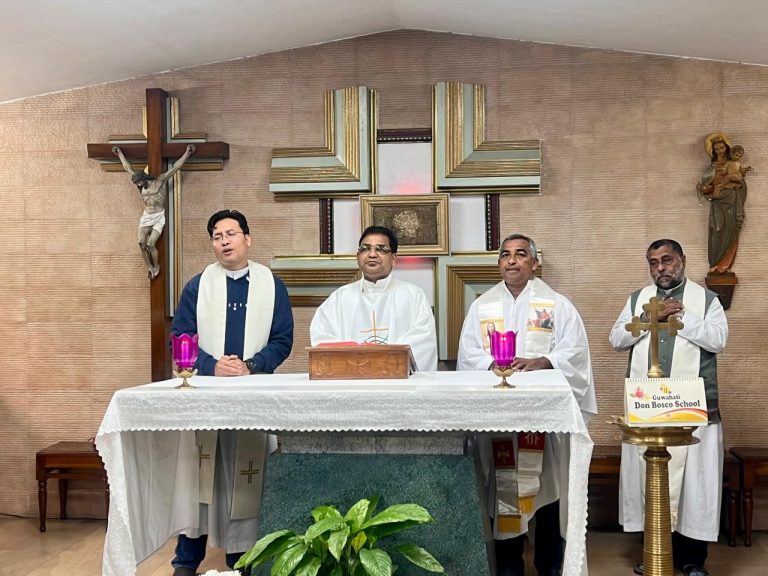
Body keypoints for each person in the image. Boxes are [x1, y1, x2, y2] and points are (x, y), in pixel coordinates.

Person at [457, 233, 597, 576]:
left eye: (521, 255)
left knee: (547, 491)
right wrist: (490, 365)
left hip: (542, 424)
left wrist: (544, 360)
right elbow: (469, 354)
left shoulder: (557, 305)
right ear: (499, 263)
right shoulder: (482, 306)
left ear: (534, 263)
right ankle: (508, 568)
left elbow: (575, 352)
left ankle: (550, 566)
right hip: (499, 421)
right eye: (505, 255)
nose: (512, 260)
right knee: (502, 490)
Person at [170, 209, 294, 576]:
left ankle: (244, 562)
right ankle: (186, 561)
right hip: (208, 396)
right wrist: (211, 366)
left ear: (247, 239)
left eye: (231, 233)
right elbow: (181, 336)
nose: (224, 241)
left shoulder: (272, 285)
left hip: (253, 395)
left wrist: (251, 366)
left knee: (248, 477)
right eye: (216, 235)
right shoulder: (198, 286)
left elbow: (283, 339)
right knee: (201, 476)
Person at [609, 239, 728, 576]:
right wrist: (650, 314)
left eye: (667, 260)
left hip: (692, 408)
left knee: (694, 486)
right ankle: (654, 551)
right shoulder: (637, 300)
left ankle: (692, 560)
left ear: (682, 261)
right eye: (653, 262)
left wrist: (679, 314)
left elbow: (718, 339)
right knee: (651, 480)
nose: (660, 268)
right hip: (649, 408)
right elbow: (615, 339)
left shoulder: (706, 301)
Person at [310, 225, 437, 372]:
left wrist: (384, 361)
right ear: (358, 256)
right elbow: (323, 338)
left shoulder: (413, 295)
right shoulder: (340, 298)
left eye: (380, 249)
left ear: (394, 258)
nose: (372, 254)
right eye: (365, 248)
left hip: (398, 386)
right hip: (352, 383)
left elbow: (423, 340)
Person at [112, 144, 196, 279]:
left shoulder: (159, 180)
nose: (138, 185)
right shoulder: (139, 184)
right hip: (147, 216)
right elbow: (128, 168)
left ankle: (156, 267)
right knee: (141, 243)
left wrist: (187, 152)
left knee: (151, 244)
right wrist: (120, 154)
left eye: (140, 182)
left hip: (158, 216)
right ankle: (150, 267)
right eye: (137, 184)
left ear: (144, 178)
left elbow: (176, 167)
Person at [695, 134, 748, 274]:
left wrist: (737, 181)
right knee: (717, 229)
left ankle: (725, 266)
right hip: (718, 201)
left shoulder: (735, 164)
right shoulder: (712, 168)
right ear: (713, 151)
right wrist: (704, 189)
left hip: (732, 199)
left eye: (722, 147)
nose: (720, 151)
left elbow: (741, 181)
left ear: (726, 148)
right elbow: (709, 186)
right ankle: (715, 263)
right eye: (716, 149)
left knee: (733, 229)